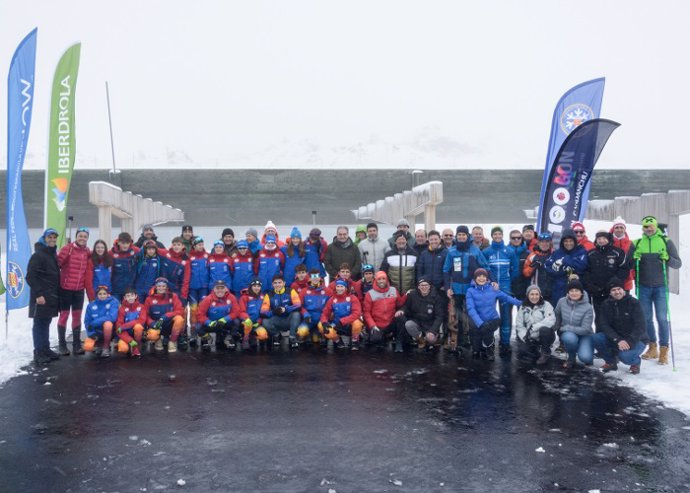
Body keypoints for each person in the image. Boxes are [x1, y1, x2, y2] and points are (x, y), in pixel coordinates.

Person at [634, 215, 682, 364]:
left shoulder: (665, 241)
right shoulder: (637, 243)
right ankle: (652, 347)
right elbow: (628, 264)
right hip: (643, 287)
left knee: (662, 318)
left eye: (651, 226)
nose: (648, 229)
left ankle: (663, 350)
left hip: (661, 287)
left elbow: (677, 264)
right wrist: (634, 258)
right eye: (645, 227)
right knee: (647, 319)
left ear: (655, 227)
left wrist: (667, 258)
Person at [443, 225, 488, 349]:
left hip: (472, 288)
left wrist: (489, 282)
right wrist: (448, 288)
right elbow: (446, 271)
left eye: (463, 235)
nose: (461, 237)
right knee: (458, 314)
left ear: (467, 236)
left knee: (471, 313)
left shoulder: (475, 250)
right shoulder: (451, 251)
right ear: (456, 237)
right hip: (456, 289)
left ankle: (472, 337)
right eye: (459, 235)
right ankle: (460, 338)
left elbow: (485, 267)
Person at [592, 279, 647, 374]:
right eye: (613, 290)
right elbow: (604, 325)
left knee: (625, 357)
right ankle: (610, 362)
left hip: (636, 339)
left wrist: (629, 341)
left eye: (619, 289)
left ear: (623, 289)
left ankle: (636, 362)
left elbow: (640, 326)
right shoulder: (606, 304)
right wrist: (617, 339)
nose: (617, 292)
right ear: (610, 292)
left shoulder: (634, 303)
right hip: (618, 338)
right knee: (597, 338)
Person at [466, 268, 521, 361]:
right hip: (478, 321)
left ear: (487, 278)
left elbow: (506, 297)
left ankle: (489, 347)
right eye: (479, 276)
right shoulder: (470, 291)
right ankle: (477, 347)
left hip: (492, 320)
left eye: (484, 276)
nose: (481, 278)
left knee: (487, 331)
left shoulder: (493, 289)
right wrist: (480, 323)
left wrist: (520, 303)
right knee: (476, 348)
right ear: (475, 278)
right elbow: (471, 309)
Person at [26, 228, 61, 365]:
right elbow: (30, 277)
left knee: (46, 323)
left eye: (54, 237)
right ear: (44, 238)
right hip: (40, 297)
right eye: (49, 237)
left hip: (51, 296)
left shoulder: (51, 254)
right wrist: (39, 294)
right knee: (39, 324)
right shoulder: (38, 255)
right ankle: (38, 352)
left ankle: (45, 349)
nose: (52, 240)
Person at [483, 226, 519, 356]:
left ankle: (505, 343)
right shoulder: (487, 252)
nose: (497, 236)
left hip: (505, 288)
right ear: (492, 236)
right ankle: (489, 340)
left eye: (499, 234)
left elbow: (515, 269)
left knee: (506, 316)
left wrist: (507, 281)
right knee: (490, 315)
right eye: (495, 234)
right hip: (490, 288)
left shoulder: (509, 251)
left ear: (502, 236)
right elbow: (484, 270)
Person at [582, 231, 629, 331]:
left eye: (604, 238)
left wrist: (613, 285)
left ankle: (616, 340)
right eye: (599, 239)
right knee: (599, 317)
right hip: (597, 292)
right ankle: (600, 340)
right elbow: (586, 271)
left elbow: (624, 269)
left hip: (613, 292)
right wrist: (591, 286)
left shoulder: (617, 252)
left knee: (615, 316)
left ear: (608, 239)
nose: (601, 240)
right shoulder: (591, 253)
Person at [57, 226, 91, 356]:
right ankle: (62, 345)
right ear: (76, 237)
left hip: (79, 290)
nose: (82, 238)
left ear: (87, 238)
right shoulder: (68, 248)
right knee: (64, 316)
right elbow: (57, 265)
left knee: (77, 316)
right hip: (65, 289)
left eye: (85, 236)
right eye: (80, 236)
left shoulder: (87, 251)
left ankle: (76, 345)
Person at [554, 279, 594, 369]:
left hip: (585, 335)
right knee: (569, 338)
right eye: (571, 291)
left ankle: (586, 350)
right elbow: (557, 317)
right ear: (568, 292)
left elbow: (585, 329)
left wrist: (566, 327)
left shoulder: (588, 307)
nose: (574, 293)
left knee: (586, 358)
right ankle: (571, 358)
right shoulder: (561, 301)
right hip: (570, 335)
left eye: (577, 291)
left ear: (582, 292)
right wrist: (551, 329)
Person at [397, 277, 444, 352]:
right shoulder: (412, 295)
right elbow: (406, 306)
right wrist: (401, 310)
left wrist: (433, 330)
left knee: (431, 339)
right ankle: (421, 340)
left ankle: (430, 339)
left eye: (426, 285)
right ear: (418, 287)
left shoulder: (436, 297)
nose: (424, 287)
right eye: (422, 285)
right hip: (417, 322)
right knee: (408, 324)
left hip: (430, 324)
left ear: (430, 286)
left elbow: (439, 317)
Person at [362, 271, 405, 350]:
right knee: (376, 340)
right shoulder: (370, 293)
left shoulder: (393, 290)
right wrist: (372, 325)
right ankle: (383, 336)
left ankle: (399, 342)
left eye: (383, 279)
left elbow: (400, 303)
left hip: (391, 322)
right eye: (379, 279)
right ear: (376, 280)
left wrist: (406, 295)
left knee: (401, 318)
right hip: (377, 324)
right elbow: (366, 312)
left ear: (387, 280)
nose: (381, 281)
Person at [545, 228, 588, 306]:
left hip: (576, 290)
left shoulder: (581, 251)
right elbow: (548, 268)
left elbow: (582, 266)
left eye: (571, 241)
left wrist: (565, 260)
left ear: (575, 241)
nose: (568, 243)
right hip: (559, 289)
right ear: (562, 242)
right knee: (558, 313)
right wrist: (561, 271)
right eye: (566, 241)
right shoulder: (557, 253)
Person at [515, 285, 556, 365]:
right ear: (528, 295)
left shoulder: (546, 305)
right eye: (532, 294)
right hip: (530, 336)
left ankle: (545, 352)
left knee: (544, 329)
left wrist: (534, 328)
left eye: (537, 294)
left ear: (540, 295)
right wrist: (525, 336)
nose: (534, 297)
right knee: (523, 352)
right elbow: (519, 325)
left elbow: (550, 320)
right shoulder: (523, 307)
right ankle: (535, 348)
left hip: (545, 335)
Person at [197, 280, 241, 351]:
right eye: (217, 288)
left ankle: (229, 338)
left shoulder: (231, 297)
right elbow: (200, 314)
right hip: (212, 323)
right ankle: (207, 338)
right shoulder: (208, 299)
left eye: (222, 288)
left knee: (236, 322)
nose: (220, 290)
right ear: (214, 289)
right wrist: (209, 322)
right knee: (198, 326)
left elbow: (236, 312)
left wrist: (225, 319)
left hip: (225, 322)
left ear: (226, 288)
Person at [144, 277, 186, 352]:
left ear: (166, 287)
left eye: (163, 286)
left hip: (170, 324)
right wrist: (152, 323)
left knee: (179, 319)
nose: (161, 288)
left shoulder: (173, 296)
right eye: (159, 286)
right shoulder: (149, 299)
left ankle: (172, 341)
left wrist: (166, 316)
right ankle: (158, 340)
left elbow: (180, 311)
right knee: (152, 335)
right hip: (157, 325)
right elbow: (145, 315)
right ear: (155, 287)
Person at [260, 274, 302, 349]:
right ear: (272, 284)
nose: (277, 285)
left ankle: (292, 337)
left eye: (279, 282)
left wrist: (286, 309)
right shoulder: (269, 295)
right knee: (265, 321)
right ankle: (277, 335)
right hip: (277, 320)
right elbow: (263, 312)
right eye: (275, 283)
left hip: (289, 319)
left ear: (284, 283)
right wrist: (274, 312)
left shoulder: (291, 291)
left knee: (296, 314)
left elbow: (298, 304)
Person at [320, 279, 363, 350]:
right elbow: (325, 313)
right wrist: (324, 322)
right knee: (327, 331)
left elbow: (356, 313)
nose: (339, 288)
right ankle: (338, 341)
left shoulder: (352, 298)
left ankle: (355, 341)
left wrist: (342, 321)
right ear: (335, 288)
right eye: (338, 286)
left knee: (357, 324)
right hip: (337, 325)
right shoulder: (332, 300)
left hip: (349, 324)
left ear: (346, 288)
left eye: (342, 286)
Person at [83, 285, 120, 358]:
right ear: (96, 295)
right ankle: (99, 345)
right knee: (88, 347)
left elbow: (112, 317)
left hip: (111, 331)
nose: (102, 296)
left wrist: (94, 323)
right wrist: (91, 333)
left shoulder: (113, 302)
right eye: (100, 294)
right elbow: (87, 321)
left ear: (108, 294)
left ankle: (106, 347)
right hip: (97, 332)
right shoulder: (91, 305)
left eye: (104, 294)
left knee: (108, 324)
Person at [381, 230, 418, 295]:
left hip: (410, 291)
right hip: (392, 291)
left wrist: (414, 287)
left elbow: (417, 272)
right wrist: (387, 285)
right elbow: (383, 271)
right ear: (395, 241)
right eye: (399, 239)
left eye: (403, 239)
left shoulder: (414, 254)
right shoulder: (389, 254)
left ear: (406, 241)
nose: (401, 241)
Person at [299, 269, 330, 345]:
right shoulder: (304, 291)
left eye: (317, 276)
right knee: (301, 332)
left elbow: (330, 307)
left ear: (320, 277)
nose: (315, 278)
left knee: (321, 332)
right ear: (309, 278)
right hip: (309, 318)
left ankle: (322, 335)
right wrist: (305, 314)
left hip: (322, 318)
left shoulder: (328, 291)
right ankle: (308, 334)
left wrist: (325, 318)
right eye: (313, 276)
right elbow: (300, 306)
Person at [188, 236, 210, 339]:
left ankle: (201, 331)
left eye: (202, 244)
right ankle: (193, 332)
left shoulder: (207, 256)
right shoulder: (189, 257)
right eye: (199, 245)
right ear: (194, 246)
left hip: (204, 287)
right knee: (193, 310)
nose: (201, 246)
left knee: (202, 309)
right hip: (192, 288)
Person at [523, 232, 554, 302]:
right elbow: (526, 273)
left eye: (547, 242)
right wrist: (532, 266)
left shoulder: (554, 255)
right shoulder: (532, 256)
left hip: (551, 290)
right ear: (538, 243)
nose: (544, 244)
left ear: (550, 243)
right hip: (537, 291)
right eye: (542, 242)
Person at [115, 287, 146, 358]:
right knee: (123, 349)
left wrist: (124, 326)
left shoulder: (141, 307)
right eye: (128, 296)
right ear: (124, 298)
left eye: (132, 295)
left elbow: (141, 321)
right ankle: (130, 344)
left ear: (136, 296)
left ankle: (136, 347)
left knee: (138, 327)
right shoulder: (121, 309)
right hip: (126, 334)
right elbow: (118, 328)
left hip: (136, 332)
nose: (130, 298)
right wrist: (130, 340)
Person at [110, 232, 139, 303]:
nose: (125, 245)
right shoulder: (111, 253)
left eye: (127, 243)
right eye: (123, 243)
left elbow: (149, 252)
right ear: (118, 242)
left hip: (130, 289)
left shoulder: (135, 251)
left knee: (128, 311)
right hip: (116, 289)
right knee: (116, 310)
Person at [239, 279, 266, 350]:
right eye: (254, 286)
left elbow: (265, 311)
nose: (256, 288)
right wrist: (247, 319)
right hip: (246, 323)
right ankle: (245, 339)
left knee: (263, 335)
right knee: (248, 324)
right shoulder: (244, 297)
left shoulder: (263, 297)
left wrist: (259, 321)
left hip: (257, 323)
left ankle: (253, 336)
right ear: (250, 287)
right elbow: (241, 312)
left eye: (258, 286)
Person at [609, 217, 635, 292]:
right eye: (617, 227)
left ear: (624, 229)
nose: (619, 229)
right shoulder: (608, 242)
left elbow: (633, 261)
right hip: (610, 279)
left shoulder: (631, 243)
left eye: (621, 227)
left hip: (626, 280)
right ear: (613, 229)